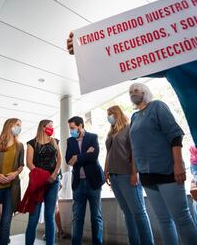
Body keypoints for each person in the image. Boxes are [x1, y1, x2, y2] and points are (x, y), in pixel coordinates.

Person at [66, 0, 197, 245]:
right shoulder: (180, 54)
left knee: (181, 218)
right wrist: (88, 49)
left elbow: (173, 135)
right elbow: (123, 57)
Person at [128, 83, 197, 245]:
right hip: (147, 176)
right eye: (131, 92)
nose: (133, 93)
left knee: (181, 218)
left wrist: (178, 164)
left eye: (137, 90)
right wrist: (135, 172)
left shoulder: (157, 106)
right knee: (163, 220)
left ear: (146, 92)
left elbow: (174, 135)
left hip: (167, 171)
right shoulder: (134, 117)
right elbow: (134, 147)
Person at [104, 105, 154, 245]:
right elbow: (108, 153)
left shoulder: (129, 128)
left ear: (117, 114)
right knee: (127, 213)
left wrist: (134, 173)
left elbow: (135, 152)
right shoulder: (111, 133)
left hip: (127, 175)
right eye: (108, 114)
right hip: (114, 175)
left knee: (138, 212)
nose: (109, 117)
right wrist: (106, 170)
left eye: (111, 114)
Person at [65, 116, 105, 245]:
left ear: (80, 125)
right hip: (78, 184)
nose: (71, 131)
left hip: (93, 182)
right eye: (70, 128)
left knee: (96, 217)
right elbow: (68, 160)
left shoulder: (92, 137)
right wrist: (84, 155)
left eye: (73, 128)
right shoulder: (70, 141)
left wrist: (77, 157)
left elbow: (94, 157)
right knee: (77, 218)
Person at [24, 120, 62, 245]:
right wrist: (42, 176)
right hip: (38, 182)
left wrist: (54, 174)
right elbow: (29, 163)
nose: (52, 128)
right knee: (33, 218)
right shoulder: (31, 143)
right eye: (50, 126)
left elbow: (59, 160)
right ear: (43, 127)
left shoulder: (55, 142)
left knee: (49, 216)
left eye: (52, 126)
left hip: (53, 181)